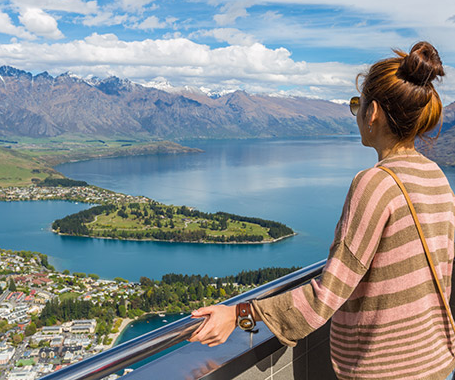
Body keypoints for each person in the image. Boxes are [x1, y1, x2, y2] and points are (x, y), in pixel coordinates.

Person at [189, 41, 455, 380]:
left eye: (356, 104)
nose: (356, 114)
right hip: (437, 361)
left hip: (387, 372)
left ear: (371, 112)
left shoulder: (376, 183)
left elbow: (325, 296)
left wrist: (239, 314)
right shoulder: (436, 177)